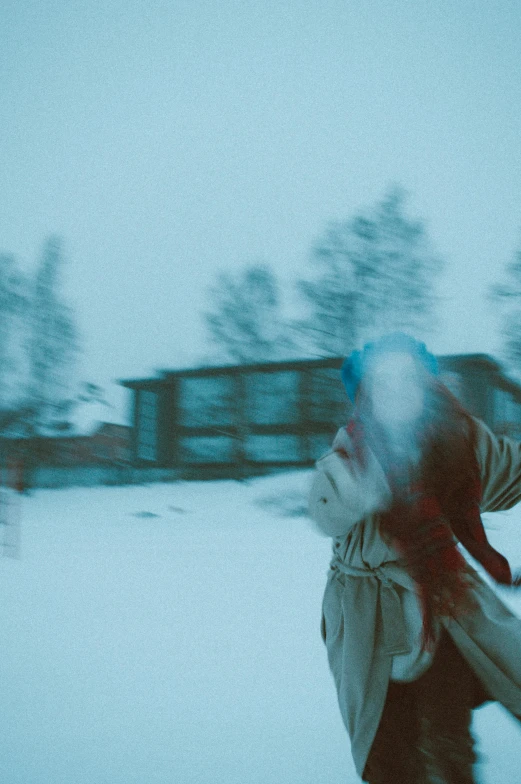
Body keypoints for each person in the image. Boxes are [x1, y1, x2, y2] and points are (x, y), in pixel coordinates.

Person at [309, 332, 521, 784]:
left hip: (442, 605)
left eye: (408, 379)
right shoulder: (353, 447)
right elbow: (326, 506)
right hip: (371, 622)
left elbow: (508, 469)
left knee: (450, 745)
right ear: (366, 392)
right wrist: (356, 490)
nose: (397, 390)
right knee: (389, 753)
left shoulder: (457, 439)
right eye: (384, 382)